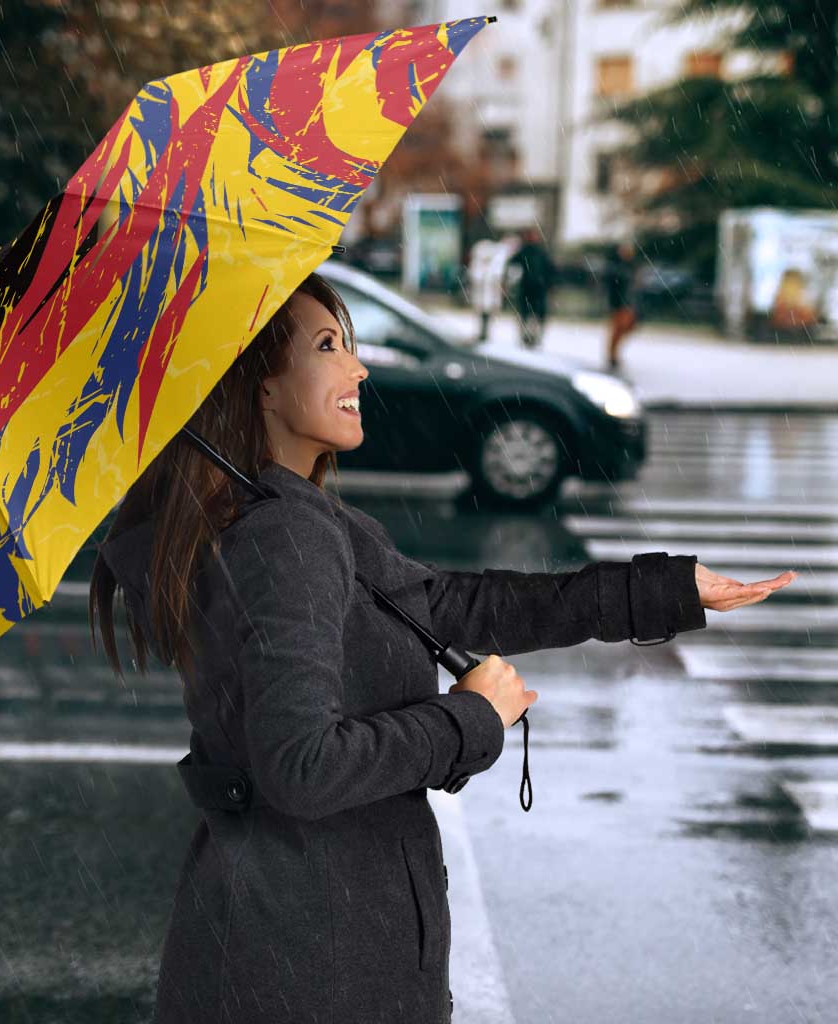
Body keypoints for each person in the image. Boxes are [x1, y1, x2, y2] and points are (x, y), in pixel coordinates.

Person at [90, 272, 796, 1024]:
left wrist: (663, 590)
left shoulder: (284, 518)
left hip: (287, 941)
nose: (358, 368)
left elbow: (455, 606)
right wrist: (469, 719)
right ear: (260, 385)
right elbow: (302, 767)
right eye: (328, 347)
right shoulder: (286, 536)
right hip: (313, 963)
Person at [506, 226, 556, 349]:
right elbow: (512, 263)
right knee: (528, 314)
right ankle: (527, 337)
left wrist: (549, 284)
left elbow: (550, 270)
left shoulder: (538, 252)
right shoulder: (528, 251)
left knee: (533, 315)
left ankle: (533, 337)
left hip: (536, 289)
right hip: (530, 288)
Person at [604, 240, 640, 370]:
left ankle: (613, 354)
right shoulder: (616, 267)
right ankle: (612, 355)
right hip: (619, 303)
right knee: (618, 329)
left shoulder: (630, 266)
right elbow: (613, 286)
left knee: (627, 327)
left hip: (628, 303)